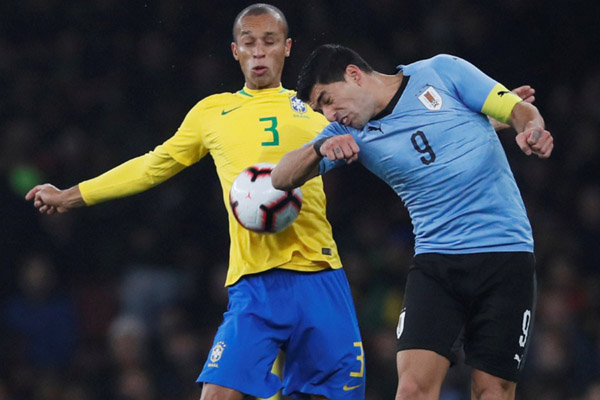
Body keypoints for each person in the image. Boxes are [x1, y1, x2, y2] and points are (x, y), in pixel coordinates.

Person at [25, 6, 365, 400]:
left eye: (269, 42)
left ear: (287, 48)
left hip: (319, 276)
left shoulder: (317, 109)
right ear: (234, 50)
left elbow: (379, 144)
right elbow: (153, 165)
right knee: (216, 395)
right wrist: (71, 195)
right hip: (253, 284)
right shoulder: (212, 113)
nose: (259, 52)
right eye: (249, 43)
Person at [271, 44, 554, 400]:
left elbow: (518, 109)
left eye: (327, 100)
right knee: (412, 390)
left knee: (492, 391)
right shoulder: (348, 135)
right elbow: (280, 178)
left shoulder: (441, 72)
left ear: (354, 74)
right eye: (320, 109)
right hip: (437, 264)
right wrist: (317, 150)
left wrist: (531, 129)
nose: (328, 115)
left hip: (505, 256)